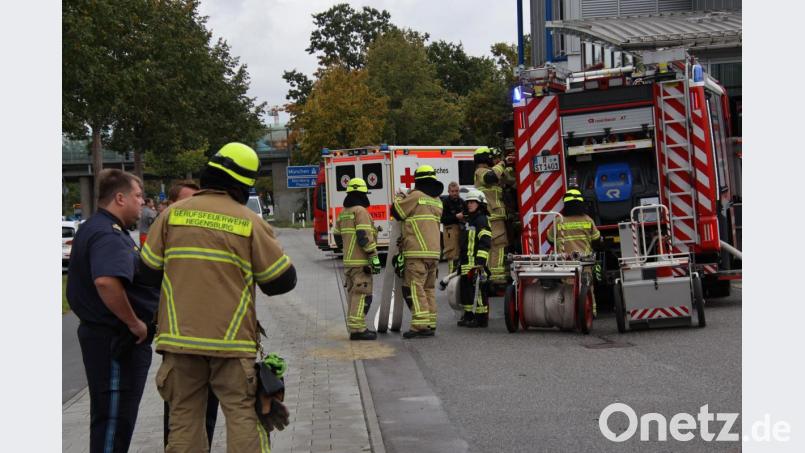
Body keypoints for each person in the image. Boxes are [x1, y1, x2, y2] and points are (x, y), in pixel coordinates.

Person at [139, 142, 297, 452]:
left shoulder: (171, 215)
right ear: (243, 183)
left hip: (179, 339)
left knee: (183, 419)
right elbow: (280, 282)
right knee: (241, 415)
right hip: (232, 341)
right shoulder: (248, 221)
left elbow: (145, 273)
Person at [66, 169, 158, 453]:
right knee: (113, 423)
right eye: (138, 196)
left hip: (108, 340)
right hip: (115, 342)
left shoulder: (99, 227)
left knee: (113, 421)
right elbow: (106, 281)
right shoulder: (107, 233)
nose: (142, 202)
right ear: (120, 197)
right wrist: (134, 323)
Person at [159, 179, 216, 449]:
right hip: (179, 344)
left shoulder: (210, 240)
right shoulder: (164, 239)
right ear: (171, 206)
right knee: (180, 416)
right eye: (186, 203)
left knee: (209, 413)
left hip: (215, 343)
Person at [391, 165, 443, 338]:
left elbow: (396, 212)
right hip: (434, 252)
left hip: (416, 252)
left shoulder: (416, 196)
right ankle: (430, 322)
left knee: (416, 287)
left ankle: (420, 325)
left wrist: (399, 197)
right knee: (428, 287)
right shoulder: (437, 200)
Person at [333, 178, 381, 340]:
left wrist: (346, 250)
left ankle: (355, 327)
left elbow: (337, 236)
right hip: (361, 261)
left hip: (349, 262)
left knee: (353, 295)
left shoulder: (343, 212)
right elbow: (364, 236)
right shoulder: (360, 211)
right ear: (362, 194)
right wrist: (373, 255)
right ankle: (358, 330)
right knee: (362, 294)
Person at [547, 188, 602, 315]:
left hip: (566, 263)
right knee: (587, 286)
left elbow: (550, 239)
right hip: (585, 262)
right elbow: (597, 239)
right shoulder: (588, 220)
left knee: (568, 288)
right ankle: (591, 312)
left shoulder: (559, 220)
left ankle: (570, 313)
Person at [473, 146, 509, 288]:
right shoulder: (481, 172)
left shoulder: (489, 171)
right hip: (492, 217)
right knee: (497, 246)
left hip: (495, 216)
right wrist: (503, 163)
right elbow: (492, 177)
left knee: (495, 247)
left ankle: (492, 277)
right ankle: (496, 279)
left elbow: (508, 180)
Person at [457, 189, 492, 328]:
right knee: (466, 290)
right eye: (469, 202)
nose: (470, 204)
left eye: (473, 202)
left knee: (478, 290)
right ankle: (469, 315)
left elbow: (485, 241)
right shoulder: (469, 220)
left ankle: (481, 318)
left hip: (476, 263)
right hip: (466, 261)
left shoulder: (481, 219)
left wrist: (480, 263)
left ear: (480, 204)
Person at [440, 181, 465, 274]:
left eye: (456, 191)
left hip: (460, 228)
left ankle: (458, 274)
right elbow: (442, 219)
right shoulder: (445, 202)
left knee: (460, 252)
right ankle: (451, 274)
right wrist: (456, 216)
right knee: (451, 253)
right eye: (453, 191)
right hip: (449, 229)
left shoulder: (461, 201)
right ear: (449, 192)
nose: (455, 193)